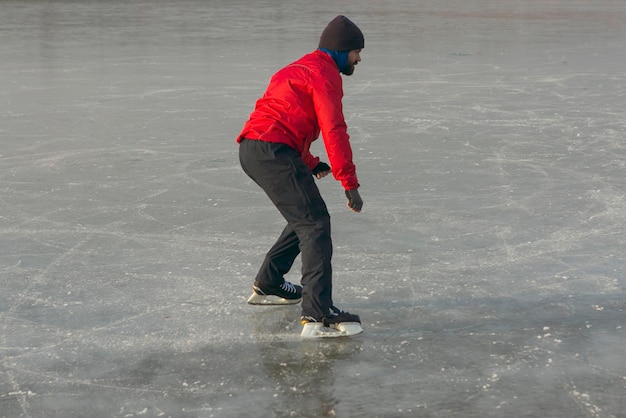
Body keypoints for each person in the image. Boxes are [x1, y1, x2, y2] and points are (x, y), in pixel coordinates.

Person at [237, 15, 365, 338]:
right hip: (274, 150)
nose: (359, 59)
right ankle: (318, 313)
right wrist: (348, 182)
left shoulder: (298, 68)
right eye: (356, 52)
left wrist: (310, 162)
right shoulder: (326, 76)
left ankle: (269, 283)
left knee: (305, 216)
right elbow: (334, 128)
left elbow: (284, 117)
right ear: (340, 50)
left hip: (254, 149)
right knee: (315, 223)